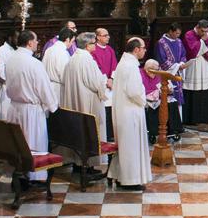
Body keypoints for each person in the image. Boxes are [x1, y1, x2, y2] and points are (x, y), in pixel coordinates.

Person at [5, 31, 58, 183]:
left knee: (19, 144)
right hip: (31, 110)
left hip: (15, 107)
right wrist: (52, 106)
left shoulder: (11, 59)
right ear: (29, 43)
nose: (37, 43)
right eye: (35, 41)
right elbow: (44, 88)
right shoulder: (34, 63)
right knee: (33, 144)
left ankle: (19, 172)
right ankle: (33, 176)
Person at [60, 32, 108, 175]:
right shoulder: (87, 60)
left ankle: (78, 163)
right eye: (94, 43)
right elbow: (95, 83)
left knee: (79, 133)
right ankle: (87, 165)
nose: (95, 46)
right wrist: (104, 82)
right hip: (87, 103)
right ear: (88, 46)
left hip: (76, 102)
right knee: (89, 132)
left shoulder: (73, 59)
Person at [110, 38, 152, 190]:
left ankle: (122, 177)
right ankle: (130, 180)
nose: (145, 50)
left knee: (127, 146)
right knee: (131, 147)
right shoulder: (131, 66)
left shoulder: (124, 63)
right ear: (136, 50)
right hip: (130, 112)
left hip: (124, 110)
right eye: (143, 48)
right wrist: (144, 100)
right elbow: (134, 91)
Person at [183, 20, 208, 125]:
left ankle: (204, 117)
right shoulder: (189, 34)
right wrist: (202, 40)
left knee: (205, 91)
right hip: (194, 66)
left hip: (204, 65)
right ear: (197, 27)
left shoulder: (205, 35)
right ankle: (193, 119)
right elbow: (192, 51)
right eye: (202, 31)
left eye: (206, 31)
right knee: (194, 92)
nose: (204, 33)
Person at [43, 27, 75, 107]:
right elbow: (64, 75)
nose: (72, 44)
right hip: (58, 90)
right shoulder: (62, 53)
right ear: (67, 39)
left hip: (48, 87)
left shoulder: (49, 50)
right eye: (72, 41)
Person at [0, 29, 20, 122]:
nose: (18, 41)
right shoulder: (1, 51)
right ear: (10, 38)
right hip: (5, 90)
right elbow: (1, 75)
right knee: (4, 118)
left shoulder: (17, 50)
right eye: (17, 38)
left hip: (16, 89)